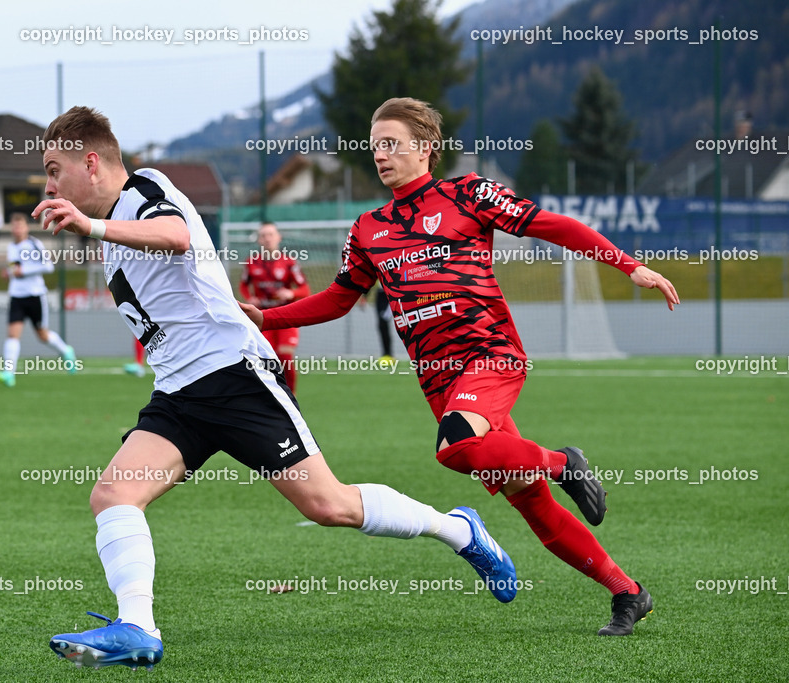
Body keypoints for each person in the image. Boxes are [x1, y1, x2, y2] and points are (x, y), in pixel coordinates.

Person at [31, 106, 517, 671]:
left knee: (330, 505)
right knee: (113, 495)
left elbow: (176, 235)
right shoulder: (114, 227)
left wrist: (90, 226)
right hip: (179, 394)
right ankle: (138, 627)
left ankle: (458, 529)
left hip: (234, 376)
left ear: (91, 163)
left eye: (53, 169)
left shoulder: (145, 190)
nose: (48, 185)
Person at [242, 97, 681, 637]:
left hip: (489, 354)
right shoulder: (369, 228)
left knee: (456, 448)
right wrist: (265, 317)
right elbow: (338, 298)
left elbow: (554, 226)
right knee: (530, 501)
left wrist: (628, 264)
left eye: (392, 144)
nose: (381, 154)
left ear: (425, 149)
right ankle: (628, 593)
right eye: (375, 145)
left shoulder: (466, 193)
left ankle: (564, 461)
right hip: (438, 379)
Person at [0, 213, 77, 387]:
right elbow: (14, 267)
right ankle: (9, 374)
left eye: (20, 226)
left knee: (42, 335)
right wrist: (8, 272)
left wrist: (23, 271)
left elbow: (48, 267)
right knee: (12, 334)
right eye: (14, 226)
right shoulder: (11, 247)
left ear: (26, 228)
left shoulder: (34, 244)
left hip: (35, 295)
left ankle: (66, 351)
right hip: (16, 295)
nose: (17, 230)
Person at [239, 222, 310, 392]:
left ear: (279, 237)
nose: (267, 238)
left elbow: (305, 289)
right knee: (266, 359)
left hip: (285, 316)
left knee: (285, 356)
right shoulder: (251, 263)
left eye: (271, 234)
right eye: (263, 235)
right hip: (262, 317)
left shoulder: (289, 262)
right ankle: (272, 394)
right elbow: (243, 286)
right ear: (259, 240)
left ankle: (291, 395)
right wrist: (250, 298)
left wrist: (291, 294)